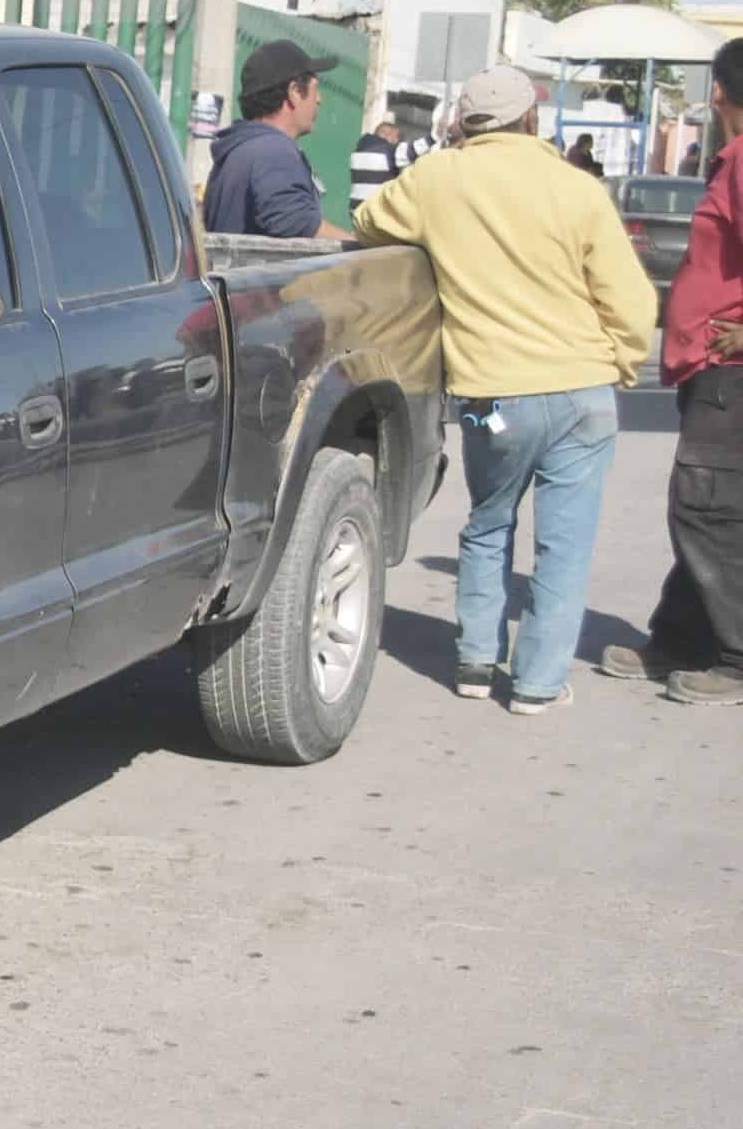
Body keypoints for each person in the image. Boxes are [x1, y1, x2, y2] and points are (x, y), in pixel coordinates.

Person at [351, 63, 659, 713]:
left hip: (492, 402)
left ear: (463, 123)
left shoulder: (438, 178)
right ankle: (539, 684)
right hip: (583, 399)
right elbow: (630, 304)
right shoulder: (577, 190)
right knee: (564, 544)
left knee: (489, 520)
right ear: (533, 120)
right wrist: (622, 364)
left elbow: (372, 221)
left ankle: (473, 662)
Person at [604, 35, 743, 703]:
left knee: (706, 505)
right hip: (712, 366)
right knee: (712, 505)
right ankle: (682, 638)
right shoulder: (731, 160)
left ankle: (736, 656)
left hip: (731, 368)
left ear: (718, 93)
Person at [204, 38, 346, 240]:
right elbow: (298, 224)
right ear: (295, 92)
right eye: (315, 88)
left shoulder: (240, 149)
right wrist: (364, 250)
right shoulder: (274, 151)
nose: (319, 99)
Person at [351, 116, 405, 198]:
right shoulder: (385, 153)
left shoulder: (360, 150)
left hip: (357, 204)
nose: (397, 141)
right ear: (386, 135)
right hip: (374, 205)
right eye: (396, 136)